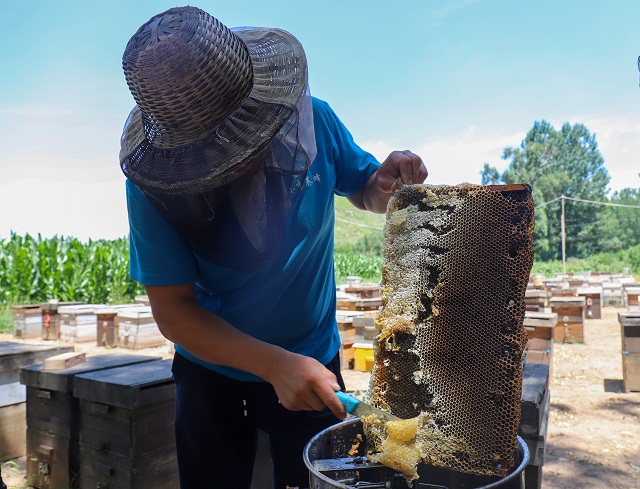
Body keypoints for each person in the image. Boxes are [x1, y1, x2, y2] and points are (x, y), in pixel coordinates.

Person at [119, 6, 427, 489]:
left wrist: (383, 185)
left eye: (244, 137)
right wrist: (273, 364)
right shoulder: (152, 185)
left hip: (313, 357)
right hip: (210, 373)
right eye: (215, 150)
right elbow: (174, 311)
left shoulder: (317, 121)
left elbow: (364, 189)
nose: (237, 159)